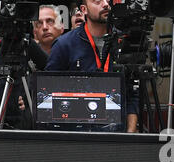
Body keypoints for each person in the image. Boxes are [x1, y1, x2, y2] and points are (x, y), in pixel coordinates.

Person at [46, 0, 138, 133]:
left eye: (107, 0)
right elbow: (49, 92)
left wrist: (130, 134)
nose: (106, 4)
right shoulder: (64, 45)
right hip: (75, 132)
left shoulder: (125, 42)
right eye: (97, 1)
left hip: (117, 132)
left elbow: (133, 95)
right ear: (84, 9)